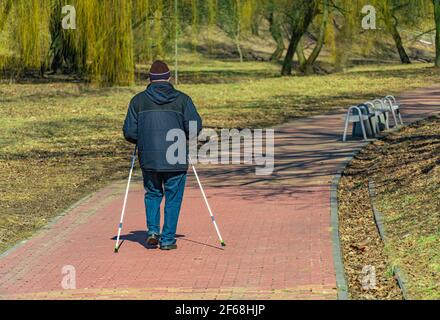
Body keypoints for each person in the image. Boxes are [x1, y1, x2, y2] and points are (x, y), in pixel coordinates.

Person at [123, 61, 202, 250]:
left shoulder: (138, 101)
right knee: (173, 197)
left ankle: (152, 231)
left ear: (150, 79)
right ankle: (167, 240)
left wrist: (143, 139)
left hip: (149, 157)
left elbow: (129, 132)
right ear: (169, 78)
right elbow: (194, 127)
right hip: (175, 157)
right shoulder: (183, 100)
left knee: (153, 193)